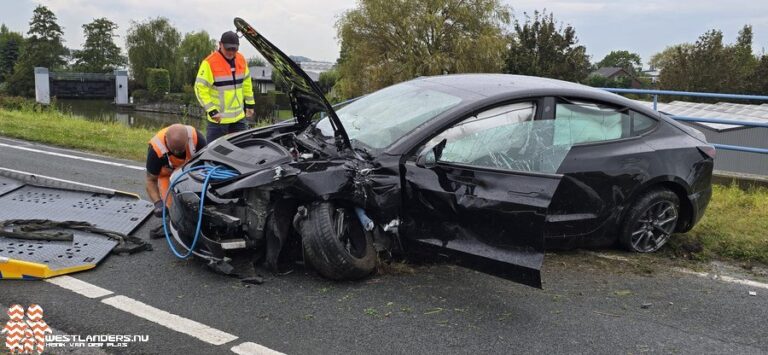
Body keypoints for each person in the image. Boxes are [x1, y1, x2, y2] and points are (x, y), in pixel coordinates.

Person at [145, 124, 207, 238]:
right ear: (166, 141)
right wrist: (158, 203)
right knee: (172, 208)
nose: (177, 153)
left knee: (199, 200)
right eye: (173, 150)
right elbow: (150, 180)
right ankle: (174, 224)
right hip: (167, 175)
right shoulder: (156, 149)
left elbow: (207, 164)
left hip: (190, 171)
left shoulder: (197, 138)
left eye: (181, 150)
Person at [194, 30, 255, 143]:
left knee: (242, 149)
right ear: (220, 44)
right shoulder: (209, 63)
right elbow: (200, 88)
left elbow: (247, 83)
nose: (231, 52)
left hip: (239, 118)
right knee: (215, 153)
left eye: (234, 49)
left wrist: (250, 104)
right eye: (228, 48)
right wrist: (212, 111)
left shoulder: (241, 60)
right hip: (218, 120)